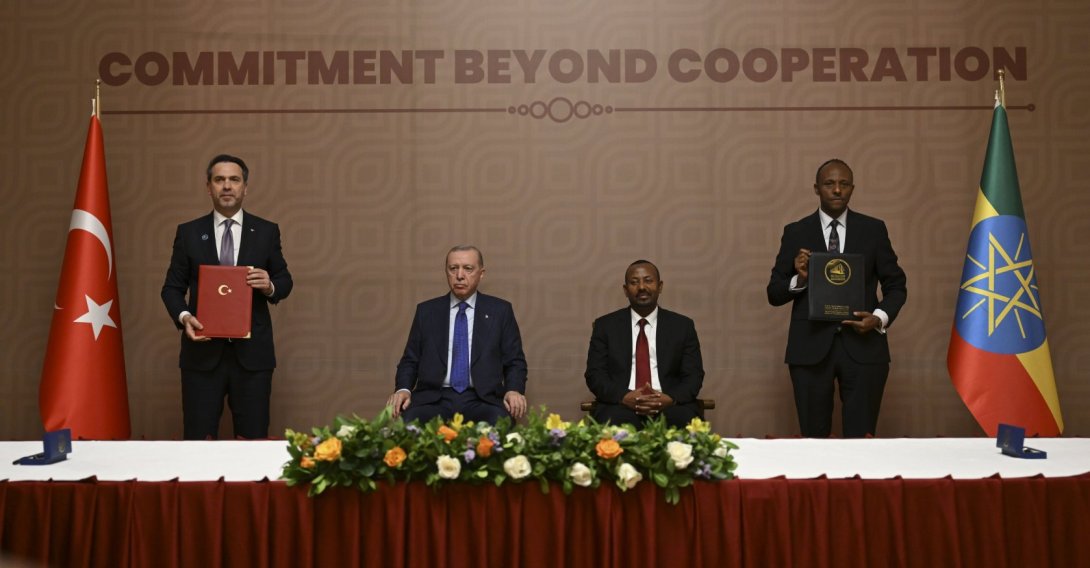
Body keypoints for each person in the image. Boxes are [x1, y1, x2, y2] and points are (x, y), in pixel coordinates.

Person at [767, 158, 907, 438]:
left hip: (864, 348)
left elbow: (896, 284)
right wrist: (801, 279)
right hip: (809, 349)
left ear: (852, 189)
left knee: (861, 439)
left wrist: (878, 319)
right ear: (816, 189)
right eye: (829, 184)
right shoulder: (796, 232)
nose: (837, 190)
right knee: (814, 440)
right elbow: (774, 293)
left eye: (844, 184)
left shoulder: (873, 229)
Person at [161, 154, 293, 440]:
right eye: (219, 180)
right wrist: (184, 317)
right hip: (202, 355)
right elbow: (171, 288)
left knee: (254, 441)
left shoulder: (266, 231)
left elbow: (284, 281)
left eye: (234, 179)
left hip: (253, 357)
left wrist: (269, 285)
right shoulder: (189, 233)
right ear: (208, 187)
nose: (227, 186)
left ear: (245, 187)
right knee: (197, 440)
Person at [387, 245, 528, 424]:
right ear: (446, 272)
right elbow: (410, 360)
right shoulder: (427, 311)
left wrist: (513, 390)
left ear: (481, 273)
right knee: (408, 420)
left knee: (500, 421)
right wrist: (403, 390)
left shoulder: (500, 311)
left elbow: (515, 361)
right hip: (434, 398)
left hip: (482, 399)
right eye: (453, 268)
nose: (459, 275)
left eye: (468, 269)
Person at [584, 260, 705, 428]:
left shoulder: (682, 326)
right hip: (621, 405)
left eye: (648, 280)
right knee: (612, 423)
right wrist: (625, 396)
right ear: (626, 290)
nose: (641, 287)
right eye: (634, 282)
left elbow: (694, 376)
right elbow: (595, 375)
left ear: (660, 286)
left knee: (683, 421)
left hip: (670, 405)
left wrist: (669, 398)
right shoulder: (605, 326)